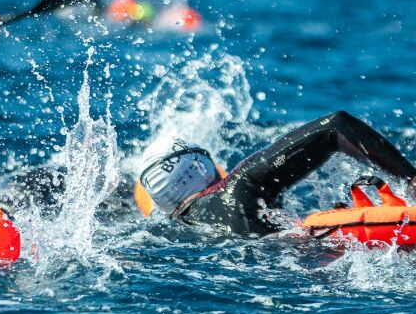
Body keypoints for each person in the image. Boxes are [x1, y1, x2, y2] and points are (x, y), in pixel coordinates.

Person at [134, 111, 416, 236]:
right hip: (300, 268)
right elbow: (336, 126)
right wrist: (410, 178)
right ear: (201, 166)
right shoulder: (240, 186)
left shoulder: (172, 229)